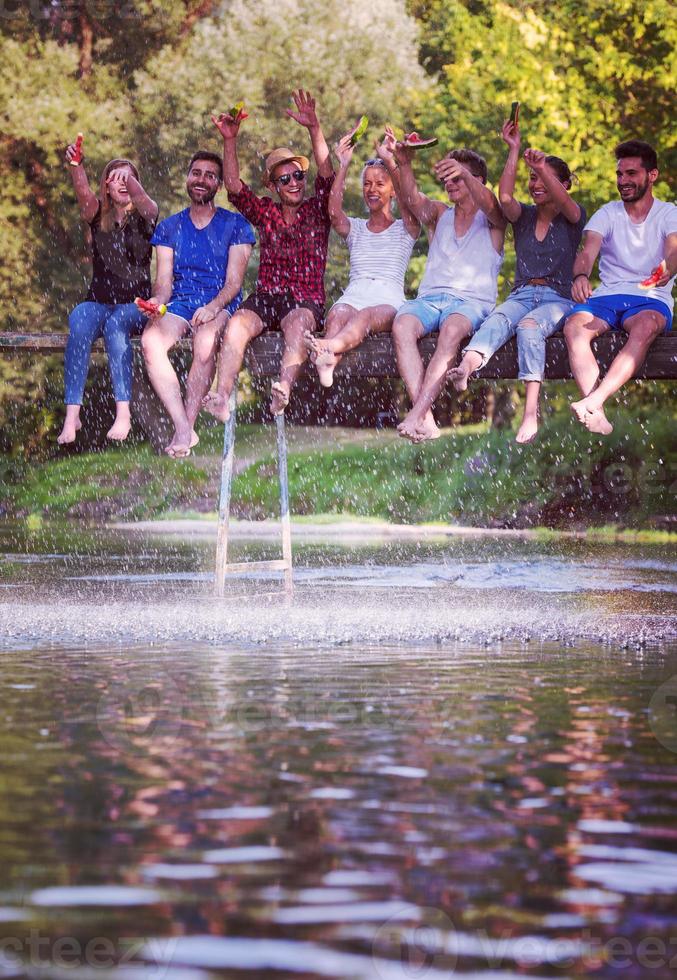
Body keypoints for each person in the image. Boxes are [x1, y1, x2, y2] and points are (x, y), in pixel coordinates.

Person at [450, 118, 586, 443]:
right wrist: (513, 149)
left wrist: (543, 167)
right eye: (532, 177)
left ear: (563, 184)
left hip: (558, 299)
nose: (536, 183)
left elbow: (565, 202)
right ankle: (466, 368)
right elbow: (505, 196)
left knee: (528, 328)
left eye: (544, 179)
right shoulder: (523, 216)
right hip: (522, 295)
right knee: (497, 320)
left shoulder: (572, 216)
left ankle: (530, 413)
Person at [204, 90, 334, 421]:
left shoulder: (317, 209)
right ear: (274, 187)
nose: (294, 183)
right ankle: (220, 396)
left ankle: (283, 390)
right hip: (267, 296)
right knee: (235, 326)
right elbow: (233, 187)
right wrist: (230, 140)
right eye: (284, 179)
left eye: (298, 176)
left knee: (298, 326)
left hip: (304, 300)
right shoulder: (266, 212)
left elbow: (327, 173)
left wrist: (314, 128)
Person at [141, 151, 255, 457]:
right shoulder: (169, 226)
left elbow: (234, 283)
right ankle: (183, 427)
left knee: (204, 343)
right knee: (150, 342)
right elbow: (164, 282)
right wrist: (156, 302)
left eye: (209, 175)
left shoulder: (237, 225)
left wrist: (214, 308)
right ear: (188, 178)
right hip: (180, 302)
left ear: (218, 184)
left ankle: (186, 426)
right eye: (196, 173)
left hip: (219, 303)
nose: (201, 179)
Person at [393, 146, 506, 442]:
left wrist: (464, 174)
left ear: (476, 179)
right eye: (448, 179)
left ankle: (417, 413)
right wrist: (404, 163)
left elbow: (493, 204)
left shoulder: (494, 219)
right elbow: (412, 200)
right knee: (402, 325)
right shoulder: (440, 213)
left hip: (471, 302)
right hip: (430, 300)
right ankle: (425, 416)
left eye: (458, 178)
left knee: (452, 329)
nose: (450, 184)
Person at [564, 140, 677, 435]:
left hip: (649, 297)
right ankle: (595, 408)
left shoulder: (668, 213)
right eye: (619, 174)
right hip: (608, 297)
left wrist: (667, 268)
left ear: (651, 175)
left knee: (646, 327)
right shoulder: (608, 212)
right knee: (574, 327)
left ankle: (594, 400)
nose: (623, 181)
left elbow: (674, 251)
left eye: (631, 174)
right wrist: (580, 277)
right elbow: (587, 252)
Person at [57, 144, 158, 445]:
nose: (123, 183)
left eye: (129, 178)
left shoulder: (144, 218)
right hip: (99, 301)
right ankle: (72, 412)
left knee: (116, 326)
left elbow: (148, 204)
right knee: (78, 319)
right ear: (107, 188)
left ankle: (123, 412)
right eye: (117, 178)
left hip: (135, 306)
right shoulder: (97, 215)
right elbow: (84, 195)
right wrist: (76, 165)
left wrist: (130, 182)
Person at [303, 127, 419, 387]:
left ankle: (327, 348)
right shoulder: (355, 228)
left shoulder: (406, 227)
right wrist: (343, 165)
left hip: (387, 300)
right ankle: (328, 363)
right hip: (355, 295)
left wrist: (391, 161)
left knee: (364, 316)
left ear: (392, 191)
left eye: (380, 183)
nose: (372, 189)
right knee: (337, 313)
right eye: (367, 183)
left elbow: (409, 202)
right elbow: (333, 213)